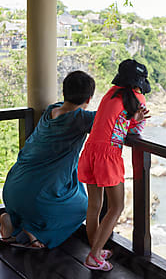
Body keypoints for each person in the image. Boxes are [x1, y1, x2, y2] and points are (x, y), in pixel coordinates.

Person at [0, 70, 96, 249]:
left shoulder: (51, 110)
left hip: (11, 190)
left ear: (64, 92)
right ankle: (35, 233)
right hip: (37, 200)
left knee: (51, 192)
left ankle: (12, 223)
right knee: (83, 207)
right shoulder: (82, 118)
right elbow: (113, 121)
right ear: (89, 99)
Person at [78, 59, 151, 271]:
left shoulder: (110, 93)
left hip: (90, 150)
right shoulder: (138, 99)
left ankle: (96, 250)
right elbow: (135, 132)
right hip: (108, 155)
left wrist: (130, 118)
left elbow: (114, 120)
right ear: (139, 83)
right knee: (117, 206)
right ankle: (93, 257)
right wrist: (135, 118)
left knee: (95, 206)